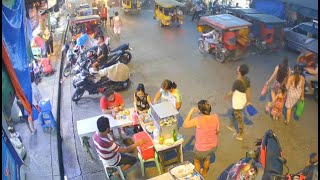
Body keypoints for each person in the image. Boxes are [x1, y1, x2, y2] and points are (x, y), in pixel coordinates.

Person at [183, 100, 219, 178]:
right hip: (213, 146)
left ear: (200, 110)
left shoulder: (197, 120)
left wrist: (191, 112)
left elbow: (185, 125)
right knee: (207, 159)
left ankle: (198, 176)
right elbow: (217, 130)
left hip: (201, 148)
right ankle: (205, 172)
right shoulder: (216, 117)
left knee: (197, 161)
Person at [225, 64, 252, 141]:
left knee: (239, 117)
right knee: (235, 112)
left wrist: (226, 96)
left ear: (239, 71)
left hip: (237, 100)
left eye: (238, 68)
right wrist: (249, 100)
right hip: (242, 98)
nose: (237, 67)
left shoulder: (237, 81)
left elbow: (231, 92)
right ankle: (231, 125)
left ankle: (240, 134)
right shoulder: (247, 79)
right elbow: (248, 90)